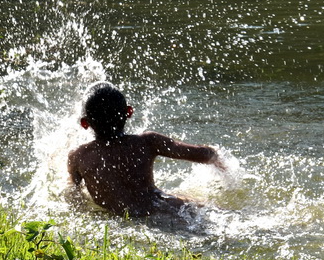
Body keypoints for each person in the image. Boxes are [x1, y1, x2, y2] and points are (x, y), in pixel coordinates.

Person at [67, 81, 225, 217]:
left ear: (85, 123)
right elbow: (205, 155)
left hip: (121, 220)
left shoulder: (78, 156)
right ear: (129, 112)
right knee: (214, 210)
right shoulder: (147, 142)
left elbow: (73, 197)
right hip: (164, 210)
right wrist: (218, 160)